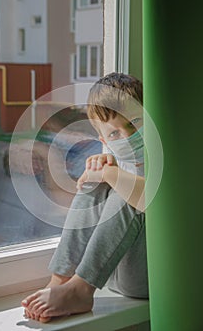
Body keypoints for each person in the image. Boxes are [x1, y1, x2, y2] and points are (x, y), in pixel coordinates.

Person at [21, 72, 148, 323]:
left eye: (134, 123)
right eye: (113, 134)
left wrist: (111, 174)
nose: (126, 136)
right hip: (111, 273)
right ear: (103, 140)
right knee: (93, 182)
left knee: (126, 191)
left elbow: (149, 199)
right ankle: (61, 280)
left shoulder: (169, 155)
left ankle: (81, 288)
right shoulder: (116, 159)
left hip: (148, 277)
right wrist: (102, 171)